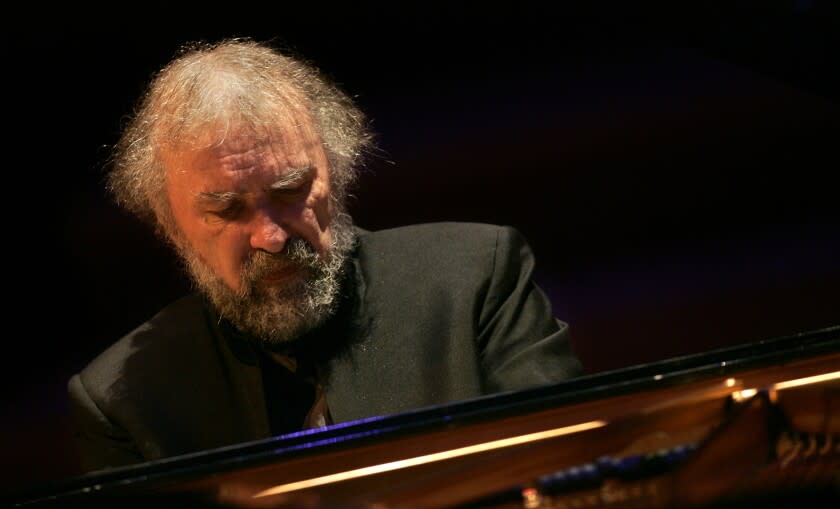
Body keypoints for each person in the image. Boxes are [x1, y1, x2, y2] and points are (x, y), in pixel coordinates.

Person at [67, 37, 584, 473]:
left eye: (291, 189)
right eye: (226, 210)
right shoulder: (123, 399)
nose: (271, 237)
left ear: (335, 175)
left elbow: (564, 477)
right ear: (170, 227)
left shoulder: (477, 279)